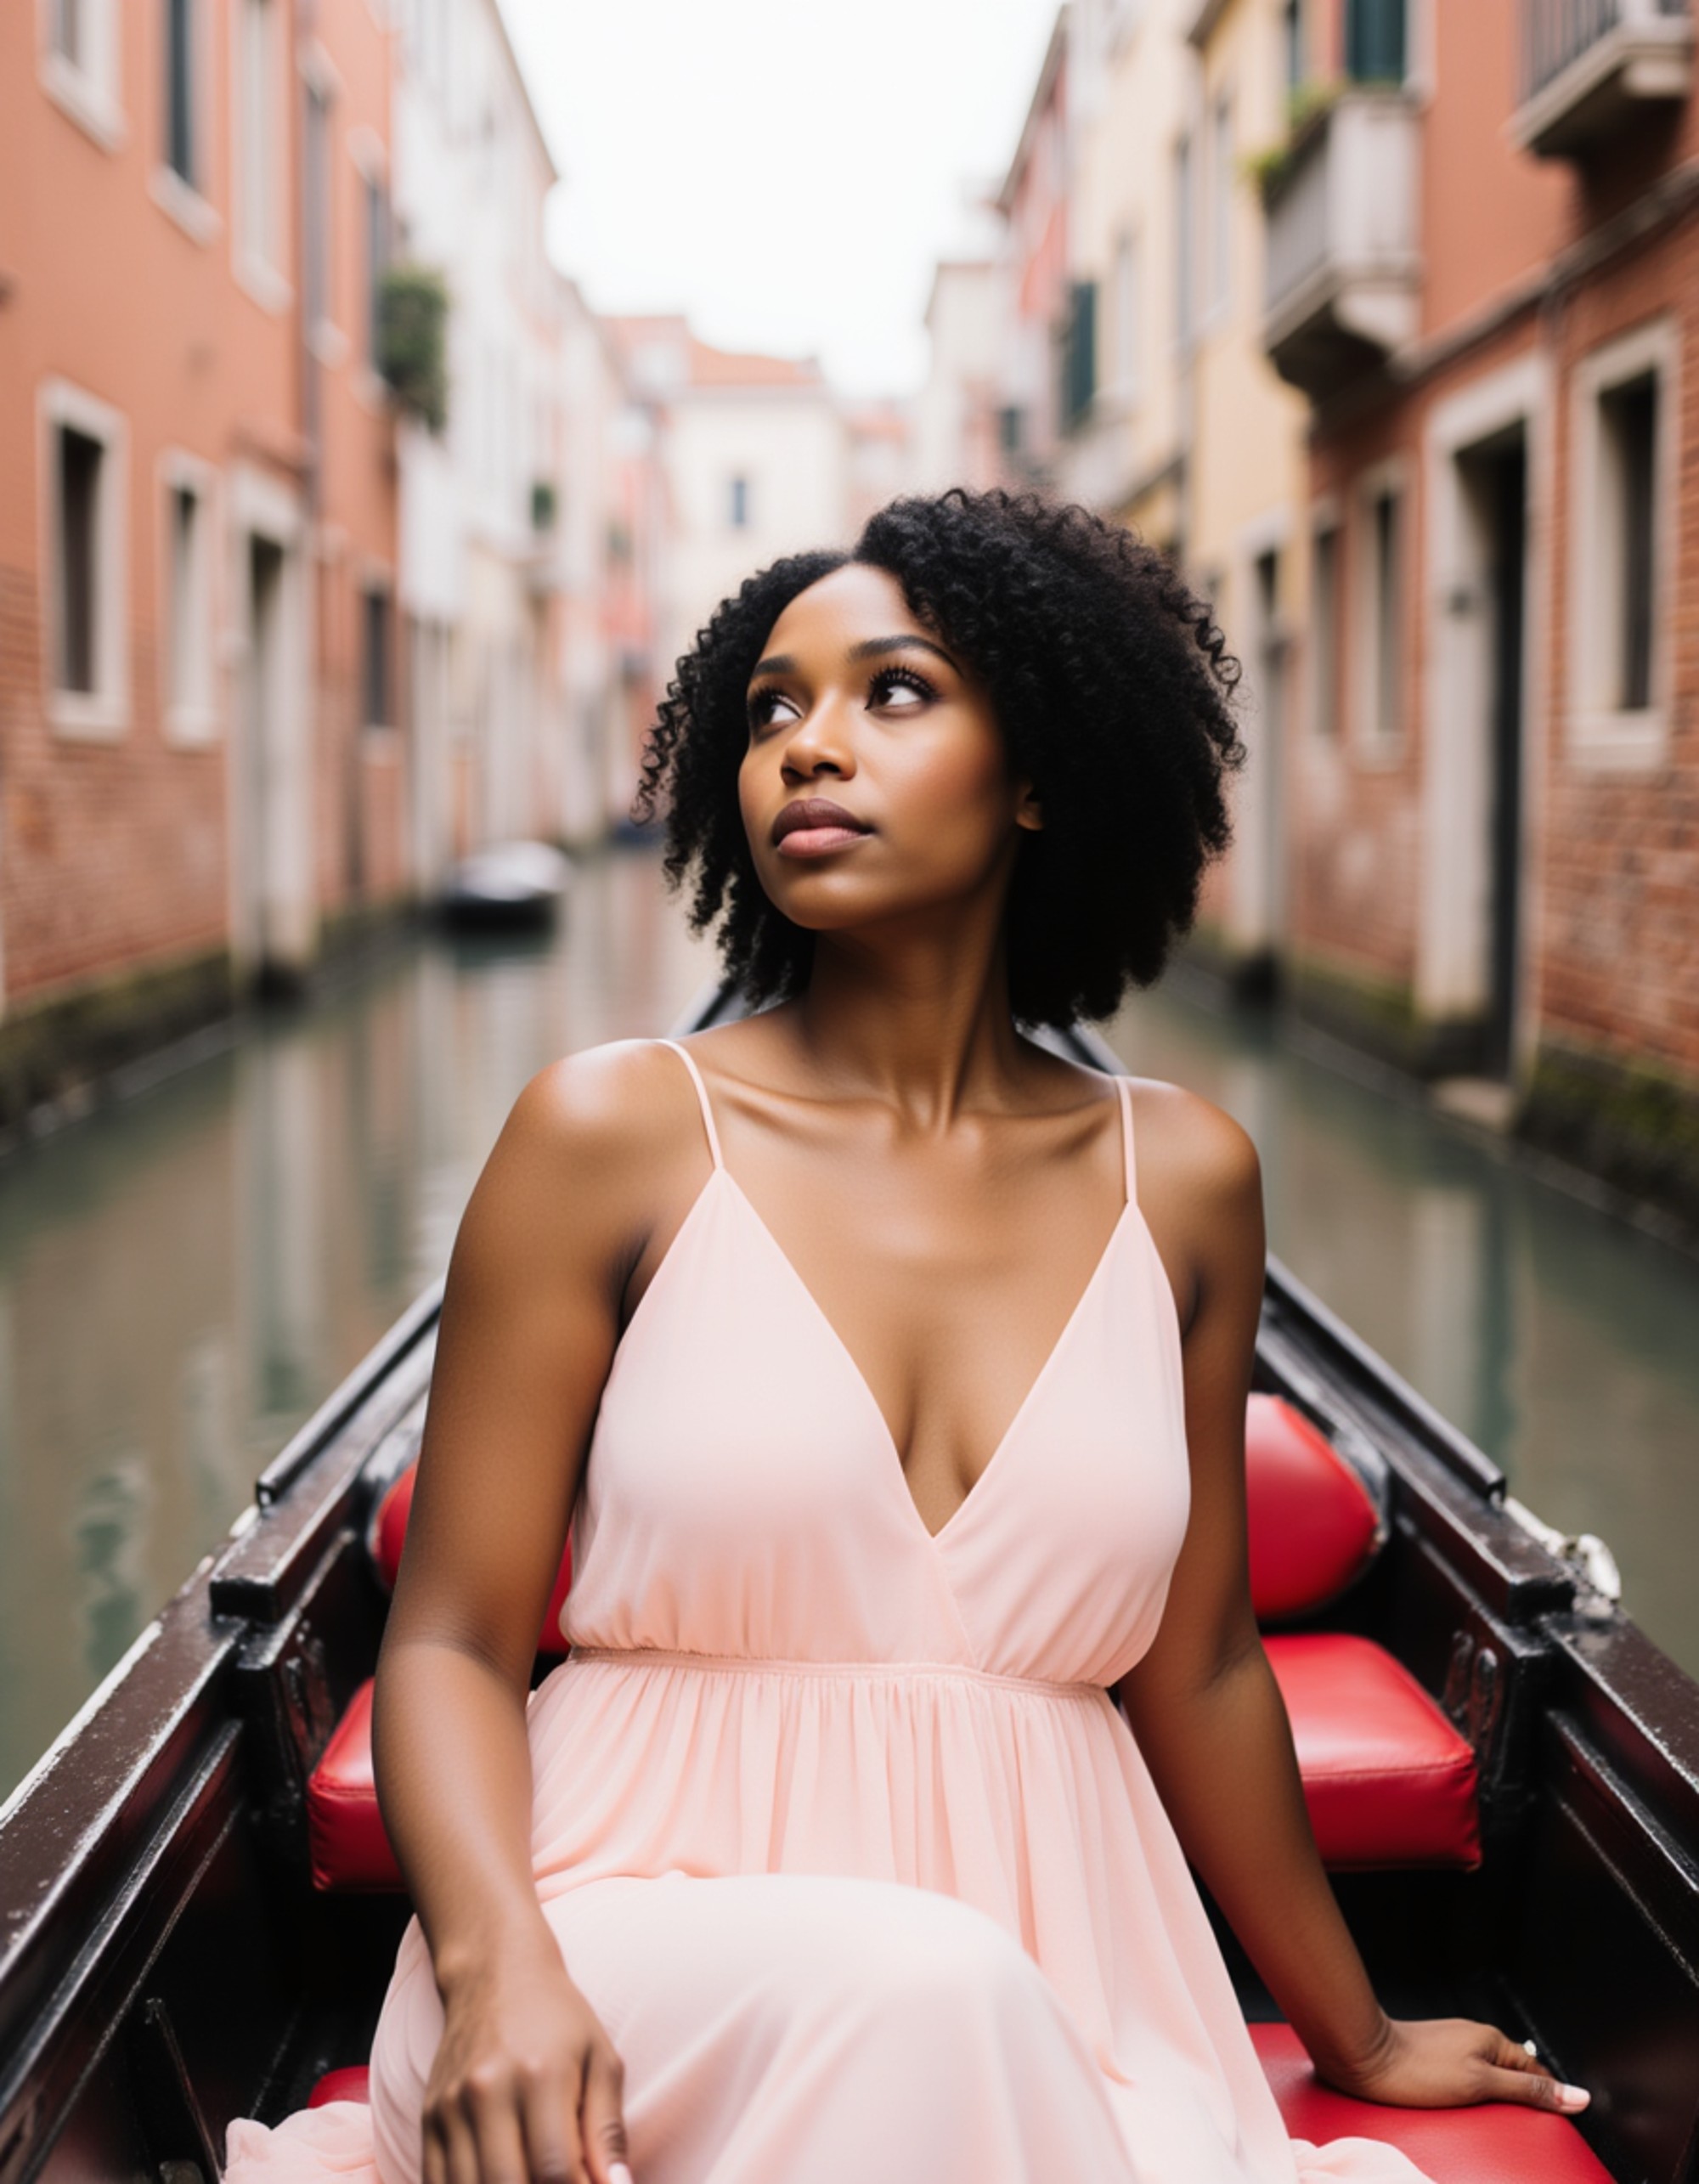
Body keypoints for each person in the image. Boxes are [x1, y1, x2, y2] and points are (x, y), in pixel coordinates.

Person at [224, 489, 1587, 2184]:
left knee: (963, 2005)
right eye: (770, 709)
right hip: (608, 1937)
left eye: (892, 691)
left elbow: (1203, 1661)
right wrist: (501, 1968)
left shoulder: (1185, 1178)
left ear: (1035, 773)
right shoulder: (606, 1133)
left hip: (1073, 1959)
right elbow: (444, 1643)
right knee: (929, 1995)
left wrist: (1359, 2033)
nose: (806, 747)